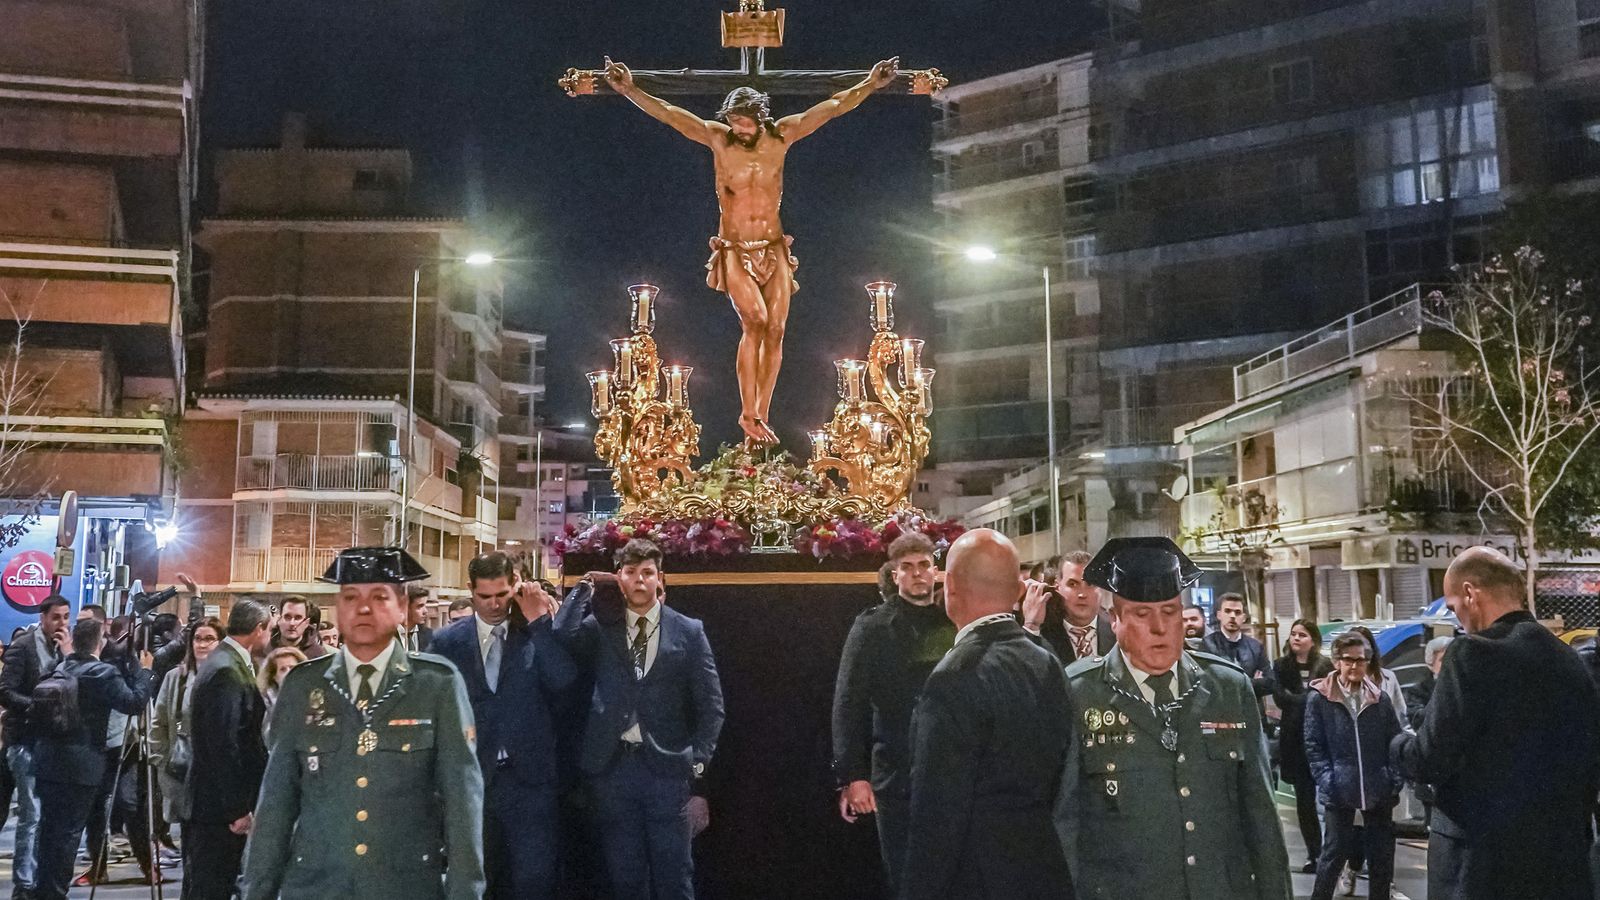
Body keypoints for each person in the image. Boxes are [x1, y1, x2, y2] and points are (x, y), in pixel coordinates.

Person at [601, 55, 901, 445]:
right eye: (732, 120)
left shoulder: (782, 136)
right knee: (755, 322)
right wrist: (629, 90)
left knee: (777, 330)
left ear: (759, 117)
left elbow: (833, 107)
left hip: (774, 247)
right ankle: (746, 411)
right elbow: (672, 114)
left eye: (743, 121)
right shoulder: (718, 139)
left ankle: (762, 411)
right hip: (735, 248)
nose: (737, 127)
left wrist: (870, 84)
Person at [242, 546, 486, 900]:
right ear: (337, 609)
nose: (364, 607)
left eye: (379, 596)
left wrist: (465, 892)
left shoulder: (436, 684)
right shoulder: (303, 685)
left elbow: (463, 801)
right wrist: (256, 890)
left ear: (402, 607)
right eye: (351, 597)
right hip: (315, 884)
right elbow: (276, 802)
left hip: (404, 885)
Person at [1055, 537, 1291, 900]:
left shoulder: (1228, 688)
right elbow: (1065, 824)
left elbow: (1260, 815)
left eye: (1169, 612)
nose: (1159, 628)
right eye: (1141, 614)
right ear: (1114, 620)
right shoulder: (1079, 693)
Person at [1393, 547, 1600, 899]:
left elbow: (1429, 758)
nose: (1458, 618)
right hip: (1560, 861)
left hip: (1481, 864)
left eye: (1455, 606)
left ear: (1471, 593)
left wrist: (1396, 743)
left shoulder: (1472, 654)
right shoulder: (1571, 660)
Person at [898, 529, 1076, 900]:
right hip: (1045, 872)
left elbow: (937, 815)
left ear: (951, 591)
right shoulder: (1046, 661)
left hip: (975, 880)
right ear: (1016, 593)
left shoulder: (952, 679)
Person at [554, 538, 725, 900]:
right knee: (625, 877)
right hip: (613, 770)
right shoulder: (602, 626)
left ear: (660, 578)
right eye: (630, 573)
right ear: (619, 578)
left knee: (674, 877)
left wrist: (697, 764)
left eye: (647, 573)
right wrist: (586, 584)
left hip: (668, 771)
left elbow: (712, 706)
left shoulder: (688, 630)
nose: (639, 580)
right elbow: (562, 632)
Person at [431, 551, 578, 900]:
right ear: (470, 591)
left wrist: (540, 625)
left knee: (535, 882)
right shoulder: (447, 643)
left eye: (502, 594)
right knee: (477, 883)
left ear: (516, 585)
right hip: (473, 783)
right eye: (485, 597)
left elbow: (564, 682)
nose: (495, 604)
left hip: (531, 782)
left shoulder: (536, 632)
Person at [830, 532, 955, 893]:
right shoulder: (871, 628)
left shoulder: (952, 624)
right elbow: (847, 703)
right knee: (904, 878)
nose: (917, 574)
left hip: (950, 772)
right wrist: (852, 776)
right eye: (907, 567)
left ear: (935, 572)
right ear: (894, 574)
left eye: (923, 566)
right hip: (895, 775)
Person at [31, 617, 154, 900]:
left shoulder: (59, 666)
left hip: (48, 762)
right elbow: (134, 702)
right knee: (68, 837)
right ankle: (54, 894)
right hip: (82, 766)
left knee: (50, 832)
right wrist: (144, 670)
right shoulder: (101, 673)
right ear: (100, 642)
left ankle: (43, 890)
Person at [1305, 633, 1404, 900]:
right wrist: (1328, 779)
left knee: (1381, 858)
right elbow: (1314, 745)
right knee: (1333, 855)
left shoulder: (1379, 698)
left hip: (1378, 787)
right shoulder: (1320, 698)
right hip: (1339, 787)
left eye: (1361, 660)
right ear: (1337, 662)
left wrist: (1393, 779)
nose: (1355, 666)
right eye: (1348, 660)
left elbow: (1394, 740)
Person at [188, 599, 274, 900]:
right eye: (269, 630)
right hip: (218, 806)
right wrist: (237, 808)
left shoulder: (226, 661)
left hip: (216, 801)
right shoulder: (227, 670)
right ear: (259, 628)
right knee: (212, 885)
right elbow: (224, 744)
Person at [0, 595, 71, 900]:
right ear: (42, 617)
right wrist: (34, 707)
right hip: (25, 741)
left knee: (47, 816)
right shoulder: (23, 647)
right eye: (56, 617)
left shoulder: (65, 650)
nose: (62, 624)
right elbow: (5, 692)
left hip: (53, 745)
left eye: (67, 617)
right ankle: (23, 884)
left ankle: (40, 878)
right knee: (31, 814)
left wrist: (68, 655)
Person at [150, 617, 221, 898]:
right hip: (180, 771)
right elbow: (159, 723)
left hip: (214, 775)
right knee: (189, 842)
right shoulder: (175, 677)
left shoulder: (227, 676)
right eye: (198, 638)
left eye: (209, 639)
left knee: (208, 850)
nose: (202, 644)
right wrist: (160, 760)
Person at [1273, 618, 1333, 873]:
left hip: (1323, 739)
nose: (1296, 638)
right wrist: (1307, 698)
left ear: (1313, 640)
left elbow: (1325, 697)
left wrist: (1299, 698)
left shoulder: (1325, 666)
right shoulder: (1280, 666)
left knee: (1331, 800)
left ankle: (1334, 853)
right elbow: (1280, 698)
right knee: (1305, 801)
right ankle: (1315, 854)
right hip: (1294, 742)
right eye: (1293, 634)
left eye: (1302, 635)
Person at [1022, 550, 1114, 664]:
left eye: (1091, 584)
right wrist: (1031, 625)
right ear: (1057, 587)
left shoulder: (1117, 630)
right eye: (1073, 584)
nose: (1082, 594)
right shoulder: (1040, 633)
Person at [1201, 593, 1275, 698]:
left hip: (1252, 711)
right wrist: (1252, 682)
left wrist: (1228, 684)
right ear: (1219, 615)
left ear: (1244, 617)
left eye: (1237, 612)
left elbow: (1270, 683)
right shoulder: (1207, 645)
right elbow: (1207, 684)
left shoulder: (1255, 647)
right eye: (1227, 611)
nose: (1232, 616)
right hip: (1221, 712)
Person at [258, 647, 307, 744]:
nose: (289, 673)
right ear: (274, 677)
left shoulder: (313, 697)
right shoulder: (263, 702)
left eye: (292, 668)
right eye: (283, 669)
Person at [274, 596, 329, 661]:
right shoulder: (265, 648)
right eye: (287, 617)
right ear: (279, 619)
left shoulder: (319, 655)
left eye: (298, 618)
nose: (292, 623)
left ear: (306, 623)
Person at [405, 584, 434, 653]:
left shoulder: (430, 635)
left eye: (425, 605)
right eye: (420, 606)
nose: (425, 611)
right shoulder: (387, 636)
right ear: (405, 608)